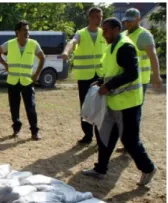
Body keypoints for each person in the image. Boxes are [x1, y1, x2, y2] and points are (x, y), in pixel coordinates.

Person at [82, 17, 157, 186]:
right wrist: (101, 81)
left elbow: (132, 74)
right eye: (103, 30)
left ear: (116, 29)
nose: (104, 34)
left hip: (128, 104)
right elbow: (112, 71)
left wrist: (108, 85)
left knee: (130, 140)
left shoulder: (125, 47)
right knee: (104, 136)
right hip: (113, 102)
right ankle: (100, 169)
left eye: (106, 30)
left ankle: (148, 168)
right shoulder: (111, 48)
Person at [116, 8, 163, 153]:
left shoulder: (143, 35)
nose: (128, 23)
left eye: (130, 21)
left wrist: (156, 75)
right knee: (124, 113)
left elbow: (152, 55)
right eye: (126, 21)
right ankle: (127, 143)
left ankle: (131, 144)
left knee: (134, 114)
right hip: (125, 81)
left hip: (139, 82)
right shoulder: (123, 35)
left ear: (138, 19)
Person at [62, 7, 106, 145]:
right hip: (85, 76)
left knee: (101, 107)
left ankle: (101, 137)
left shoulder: (104, 33)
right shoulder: (81, 33)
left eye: (101, 17)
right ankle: (88, 135)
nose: (99, 19)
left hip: (101, 76)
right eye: (96, 17)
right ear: (90, 18)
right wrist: (66, 52)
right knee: (86, 106)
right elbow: (72, 42)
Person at [0, 20, 45, 140]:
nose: (27, 32)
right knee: (14, 107)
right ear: (18, 32)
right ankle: (16, 129)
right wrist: (4, 64)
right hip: (13, 81)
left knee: (31, 107)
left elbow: (42, 57)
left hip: (27, 81)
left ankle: (34, 131)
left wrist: (37, 74)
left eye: (28, 30)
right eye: (25, 30)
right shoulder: (10, 44)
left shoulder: (33, 44)